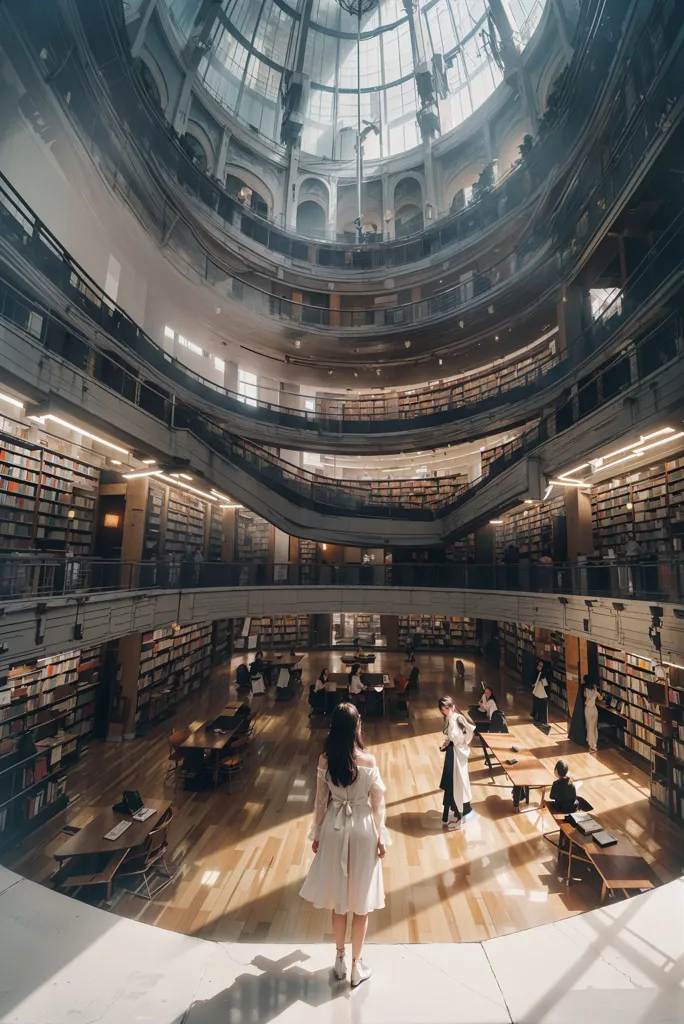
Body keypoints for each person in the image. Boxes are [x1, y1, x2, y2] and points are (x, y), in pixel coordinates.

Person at [300, 703, 390, 988]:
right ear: (356, 727)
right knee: (361, 904)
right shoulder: (369, 761)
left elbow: (319, 801)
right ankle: (355, 966)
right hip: (363, 829)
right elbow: (378, 805)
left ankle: (338, 959)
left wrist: (316, 834)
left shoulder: (326, 760)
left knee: (339, 902)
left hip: (334, 828)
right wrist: (381, 836)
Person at [438, 697, 476, 829]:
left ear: (452, 706)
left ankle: (460, 818)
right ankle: (457, 813)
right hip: (453, 753)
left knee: (458, 785)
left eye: (447, 708)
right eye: (443, 710)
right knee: (454, 784)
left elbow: (470, 729)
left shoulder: (457, 718)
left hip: (457, 755)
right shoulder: (452, 719)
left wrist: (459, 742)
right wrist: (449, 742)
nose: (445, 712)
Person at [583, 675, 601, 751]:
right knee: (594, 727)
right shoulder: (595, 691)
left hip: (588, 709)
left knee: (589, 726)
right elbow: (600, 698)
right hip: (594, 709)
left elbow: (585, 697)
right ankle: (594, 742)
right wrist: (596, 692)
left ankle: (591, 743)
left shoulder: (585, 690)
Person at [531, 659, 549, 725]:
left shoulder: (544, 674)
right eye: (538, 665)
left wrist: (542, 680)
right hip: (537, 691)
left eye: (541, 666)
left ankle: (541, 719)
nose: (539, 667)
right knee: (536, 705)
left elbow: (546, 685)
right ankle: (536, 716)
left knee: (541, 707)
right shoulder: (536, 672)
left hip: (543, 693)